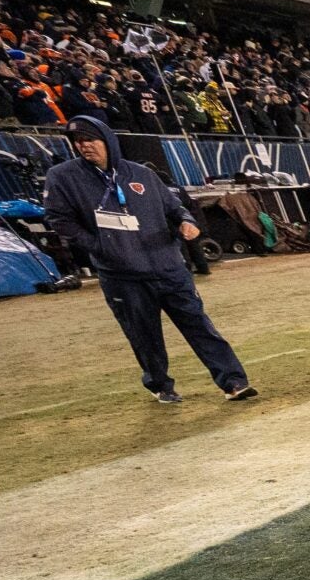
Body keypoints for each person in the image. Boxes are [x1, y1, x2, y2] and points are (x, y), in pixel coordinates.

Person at [43, 116, 257, 405]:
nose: (84, 147)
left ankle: (234, 382)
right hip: (122, 275)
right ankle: (160, 385)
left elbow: (175, 207)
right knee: (145, 337)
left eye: (90, 140)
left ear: (107, 140)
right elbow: (58, 219)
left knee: (199, 325)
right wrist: (99, 246)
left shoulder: (141, 174)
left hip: (167, 266)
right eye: (78, 142)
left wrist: (185, 221)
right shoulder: (63, 177)